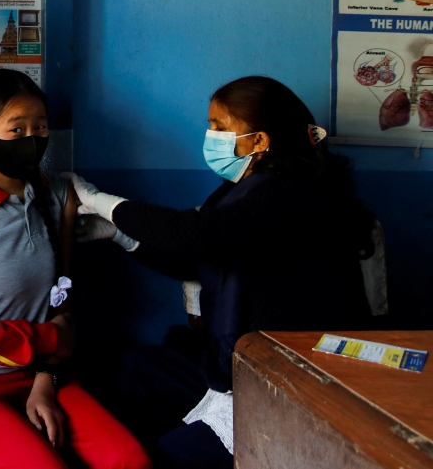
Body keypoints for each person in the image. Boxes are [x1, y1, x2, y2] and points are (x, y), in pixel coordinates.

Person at [69, 75, 373, 469]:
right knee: (137, 372)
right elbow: (197, 259)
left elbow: (195, 237)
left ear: (260, 142)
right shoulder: (242, 188)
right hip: (239, 359)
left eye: (220, 127)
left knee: (175, 454)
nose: (210, 136)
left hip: (288, 376)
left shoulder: (290, 195)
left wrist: (101, 202)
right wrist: (122, 237)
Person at [0, 69, 152, 469]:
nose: (32, 140)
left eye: (39, 127)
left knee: (129, 461)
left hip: (43, 376)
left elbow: (63, 301)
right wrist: (48, 340)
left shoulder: (56, 196)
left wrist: (46, 379)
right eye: (15, 129)